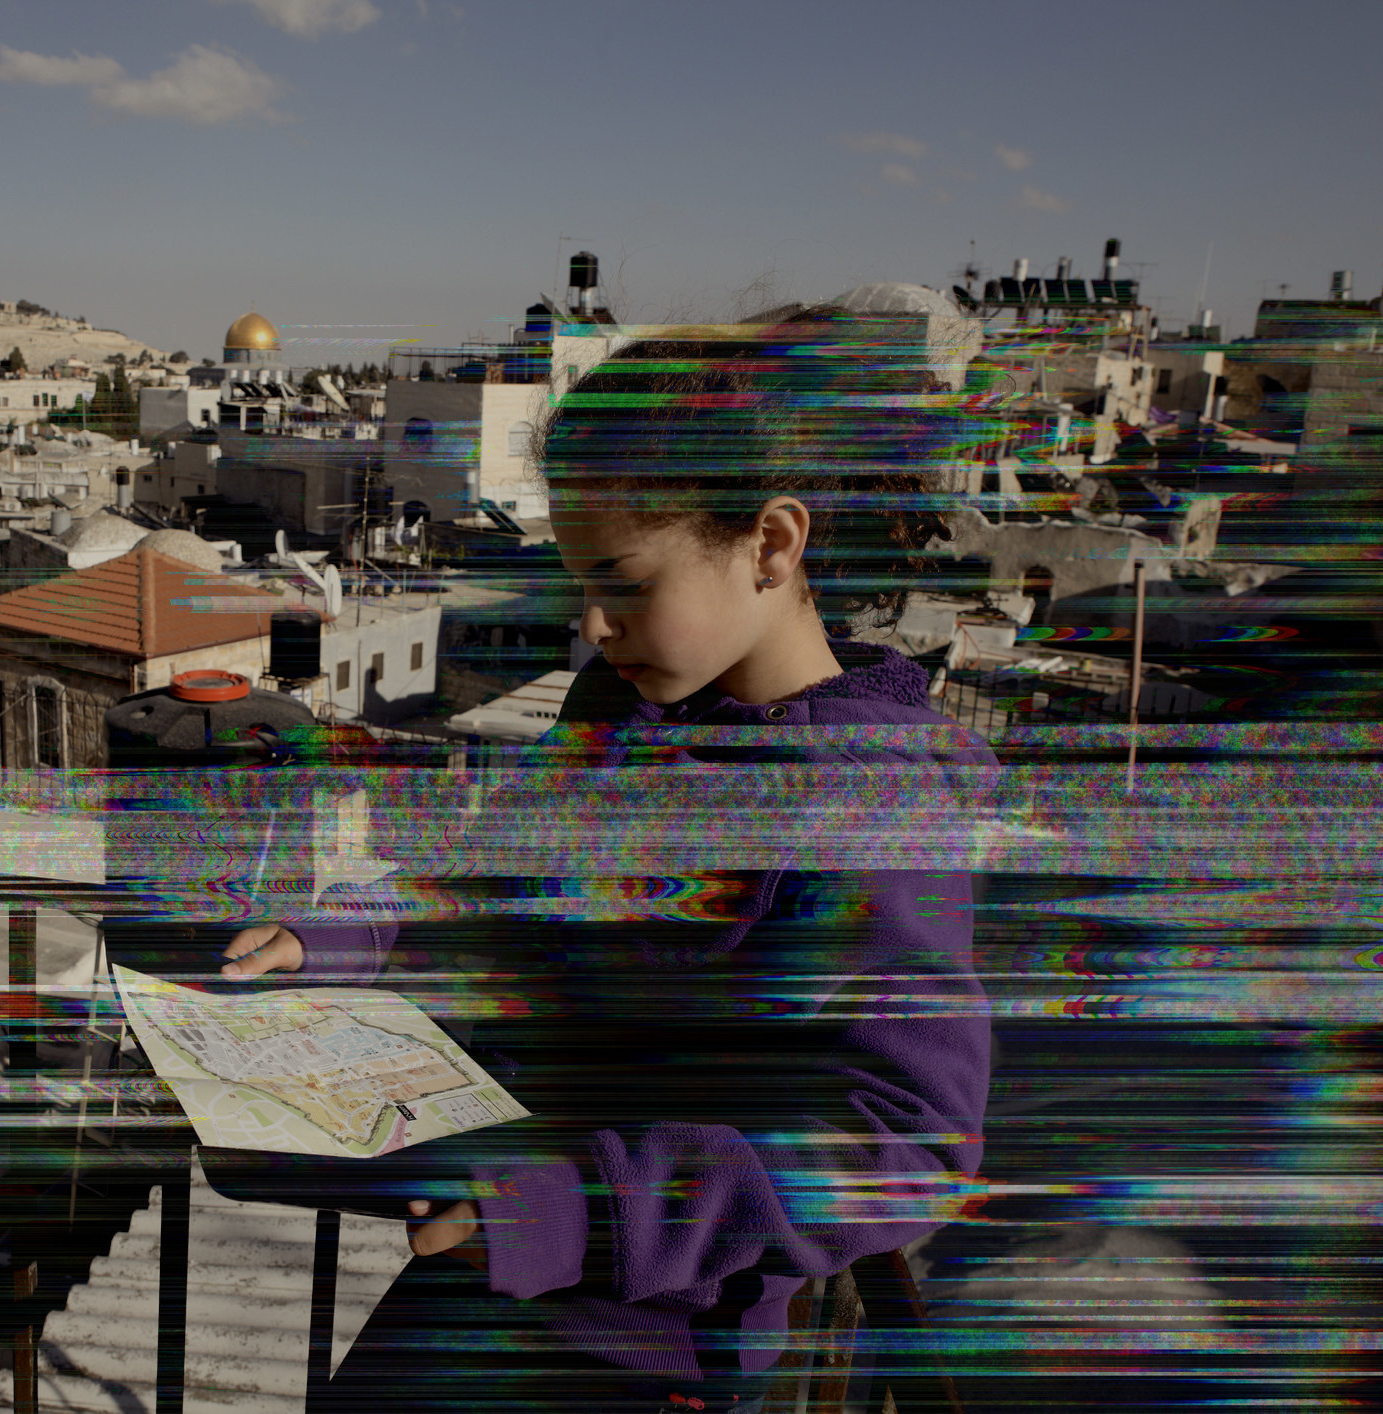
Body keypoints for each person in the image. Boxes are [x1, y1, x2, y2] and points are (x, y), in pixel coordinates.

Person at [217, 307, 998, 1412]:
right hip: (495, 1249)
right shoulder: (618, 706)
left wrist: (587, 1210)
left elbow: (906, 1144)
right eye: (579, 580)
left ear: (773, 545)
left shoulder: (869, 800)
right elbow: (497, 875)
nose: (594, 622)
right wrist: (344, 933)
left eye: (626, 582)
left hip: (640, 1343)